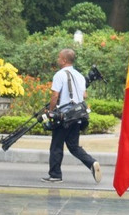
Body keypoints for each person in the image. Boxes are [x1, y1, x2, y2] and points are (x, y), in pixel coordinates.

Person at [43, 48, 101, 184]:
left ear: (63, 60)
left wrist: (51, 111)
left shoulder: (59, 75)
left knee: (56, 145)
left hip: (64, 116)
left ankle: (55, 175)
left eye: (59, 57)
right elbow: (84, 95)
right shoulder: (79, 76)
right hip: (78, 116)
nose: (57, 60)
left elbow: (55, 95)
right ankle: (92, 162)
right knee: (73, 146)